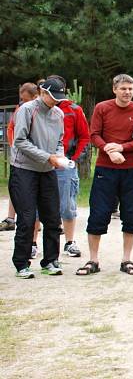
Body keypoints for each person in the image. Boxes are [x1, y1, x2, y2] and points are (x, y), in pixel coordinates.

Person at [78, 74, 133, 276]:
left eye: (130, 89)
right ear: (114, 89)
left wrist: (122, 147)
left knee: (130, 214)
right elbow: (94, 135)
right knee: (99, 213)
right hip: (105, 168)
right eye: (123, 88)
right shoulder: (102, 108)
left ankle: (127, 259)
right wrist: (109, 150)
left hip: (130, 170)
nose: (127, 92)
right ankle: (93, 259)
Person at [8, 78, 66, 278]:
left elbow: (60, 140)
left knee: (52, 216)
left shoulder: (59, 114)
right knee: (27, 217)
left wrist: (58, 156)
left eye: (59, 98)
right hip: (24, 169)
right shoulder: (27, 110)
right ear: (42, 91)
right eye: (52, 96)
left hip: (47, 170)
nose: (55, 101)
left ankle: (50, 260)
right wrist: (46, 156)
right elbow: (20, 141)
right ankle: (22, 263)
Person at [49, 75, 90, 259]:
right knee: (36, 206)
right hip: (42, 163)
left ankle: (70, 242)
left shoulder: (74, 110)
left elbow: (84, 136)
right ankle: (33, 243)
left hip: (65, 164)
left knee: (67, 204)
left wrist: (73, 158)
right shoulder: (38, 109)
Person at [1, 82, 40, 233]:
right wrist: (13, 145)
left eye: (25, 99)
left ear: (35, 96)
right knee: (16, 187)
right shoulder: (20, 108)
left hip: (36, 156)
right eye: (21, 99)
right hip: (19, 154)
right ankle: (11, 218)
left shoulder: (40, 111)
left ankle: (36, 220)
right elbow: (11, 127)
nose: (22, 102)